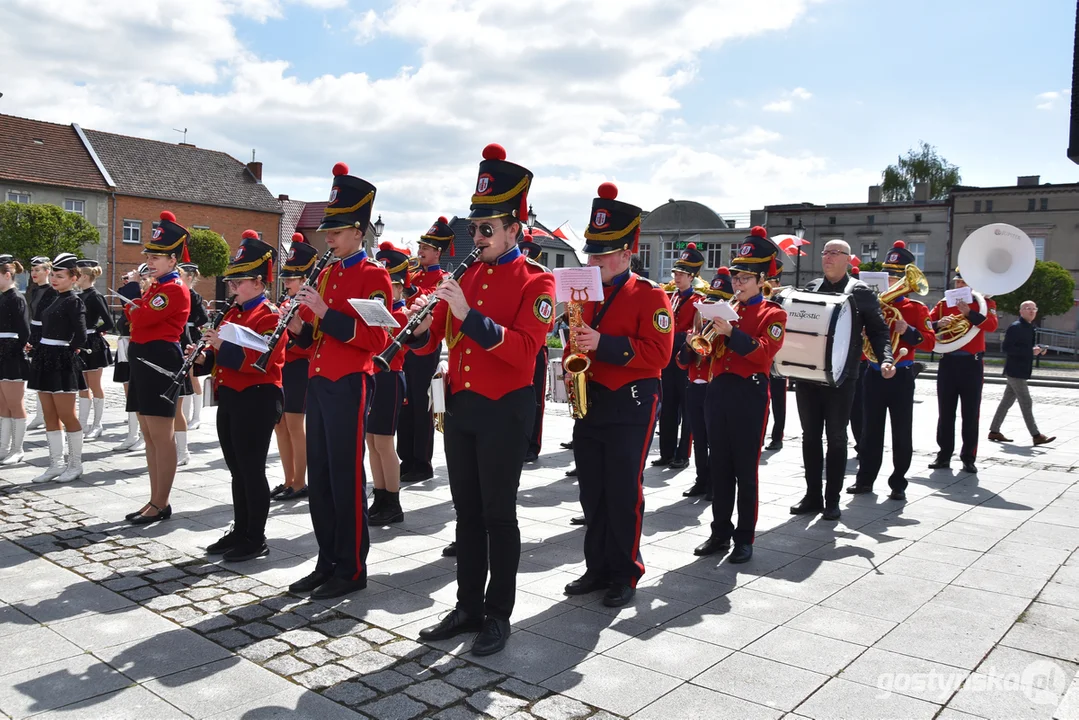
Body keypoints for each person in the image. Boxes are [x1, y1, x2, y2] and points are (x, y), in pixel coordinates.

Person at [412, 144, 553, 656]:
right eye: (475, 228)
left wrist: (467, 314)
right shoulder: (467, 274)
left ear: (515, 229)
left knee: (499, 515)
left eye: (488, 229)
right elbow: (441, 340)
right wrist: (417, 327)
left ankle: (498, 613)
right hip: (463, 405)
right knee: (466, 513)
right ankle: (467, 604)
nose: (478, 238)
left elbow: (522, 352)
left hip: (504, 409)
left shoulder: (537, 280)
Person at [559, 182, 671, 606]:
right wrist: (574, 353)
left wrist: (601, 343)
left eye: (603, 252)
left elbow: (658, 353)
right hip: (593, 400)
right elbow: (575, 340)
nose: (594, 259)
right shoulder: (583, 290)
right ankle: (597, 566)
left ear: (627, 253)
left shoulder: (650, 294)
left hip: (632, 401)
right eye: (592, 251)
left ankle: (625, 571)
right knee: (592, 489)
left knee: (624, 490)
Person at [285, 162, 393, 600]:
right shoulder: (326, 272)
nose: (327, 238)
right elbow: (316, 336)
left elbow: (375, 338)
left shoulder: (373, 276)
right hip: (319, 380)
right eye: (327, 231)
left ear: (359, 231)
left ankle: (351, 568)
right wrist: (297, 326)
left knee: (346, 479)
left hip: (351, 382)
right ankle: (326, 559)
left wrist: (325, 314)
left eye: (336, 230)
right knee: (323, 477)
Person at [692, 228, 787, 563]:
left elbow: (762, 355)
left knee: (745, 470)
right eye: (736, 276)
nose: (738, 283)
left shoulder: (773, 314)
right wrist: (699, 341)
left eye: (745, 277)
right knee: (720, 467)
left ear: (762, 280)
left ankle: (744, 537)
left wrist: (731, 332)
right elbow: (705, 353)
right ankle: (719, 533)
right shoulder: (723, 308)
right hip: (719, 391)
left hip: (750, 393)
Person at [790, 240, 894, 521]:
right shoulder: (810, 289)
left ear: (848, 259)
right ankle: (812, 495)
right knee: (810, 436)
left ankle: (831, 499)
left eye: (835, 253)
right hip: (808, 375)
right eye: (825, 252)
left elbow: (879, 331)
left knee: (836, 437)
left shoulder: (860, 292)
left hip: (842, 377)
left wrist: (886, 358)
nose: (828, 257)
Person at [198, 232, 286, 562]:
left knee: (251, 468)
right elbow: (222, 357)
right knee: (237, 469)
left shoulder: (270, 316)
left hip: (258, 397)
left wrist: (223, 346)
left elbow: (261, 363)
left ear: (260, 281)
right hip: (232, 397)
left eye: (240, 280)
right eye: (232, 279)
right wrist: (205, 356)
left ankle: (255, 537)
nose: (232, 285)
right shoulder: (232, 313)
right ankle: (240, 528)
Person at [848, 241, 932, 501]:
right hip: (872, 372)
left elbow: (930, 343)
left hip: (902, 374)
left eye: (897, 277)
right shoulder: (868, 306)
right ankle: (865, 480)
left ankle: (898, 482)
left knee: (901, 430)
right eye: (889, 276)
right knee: (870, 430)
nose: (893, 282)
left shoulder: (915, 309)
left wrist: (908, 331)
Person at [124, 211, 193, 524]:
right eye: (149, 255)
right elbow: (133, 318)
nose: (150, 261)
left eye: (157, 257)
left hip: (159, 359)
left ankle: (161, 502)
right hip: (143, 356)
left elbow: (140, 318)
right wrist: (136, 302)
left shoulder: (174, 289)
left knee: (160, 434)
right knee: (148, 434)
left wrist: (133, 300)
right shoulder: (154, 287)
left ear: (173, 260)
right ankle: (153, 498)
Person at [398, 216, 452, 483]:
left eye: (426, 248)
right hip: (404, 348)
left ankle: (422, 462)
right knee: (404, 404)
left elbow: (431, 298)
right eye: (420, 246)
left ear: (438, 252)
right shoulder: (415, 273)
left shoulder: (444, 278)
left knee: (422, 404)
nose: (420, 251)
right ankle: (405, 458)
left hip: (426, 347)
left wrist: (408, 286)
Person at [928, 267, 999, 473]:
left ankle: (968, 456)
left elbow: (992, 325)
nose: (959, 286)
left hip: (971, 363)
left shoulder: (984, 304)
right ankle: (944, 454)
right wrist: (939, 323)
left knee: (970, 412)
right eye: (957, 283)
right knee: (945, 412)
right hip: (948, 361)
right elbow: (927, 326)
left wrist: (969, 313)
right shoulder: (943, 305)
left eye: (963, 283)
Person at [27, 253, 88, 483]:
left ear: (73, 278)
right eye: (52, 274)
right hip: (45, 356)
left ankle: (75, 464)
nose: (54, 279)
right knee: (49, 415)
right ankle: (55, 464)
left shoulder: (74, 301)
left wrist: (67, 353)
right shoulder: (54, 297)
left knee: (66, 415)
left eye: (60, 276)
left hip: (61, 359)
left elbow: (81, 336)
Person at [677, 268, 733, 498]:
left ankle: (713, 482)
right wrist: (689, 344)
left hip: (715, 390)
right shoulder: (696, 329)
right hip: (694, 388)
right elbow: (681, 363)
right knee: (698, 438)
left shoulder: (726, 334)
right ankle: (701, 479)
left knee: (715, 440)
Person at [368, 241, 412, 526]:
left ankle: (393, 501)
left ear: (399, 287)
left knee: (384, 442)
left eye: (391, 285)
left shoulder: (403, 313)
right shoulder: (378, 310)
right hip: (373, 376)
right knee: (371, 442)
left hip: (390, 378)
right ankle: (380, 495)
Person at [270, 234, 316, 502]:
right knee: (281, 426)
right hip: (283, 369)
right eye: (286, 277)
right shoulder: (286, 304)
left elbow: (307, 342)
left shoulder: (308, 305)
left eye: (292, 278)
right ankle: (288, 479)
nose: (286, 282)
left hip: (298, 369)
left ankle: (299, 481)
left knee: (296, 426)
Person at [654, 243, 702, 470]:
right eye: (676, 273)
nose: (677, 277)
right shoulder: (669, 296)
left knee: (686, 409)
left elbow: (696, 331)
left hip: (684, 358)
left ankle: (683, 454)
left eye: (682, 274)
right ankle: (666, 452)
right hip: (667, 359)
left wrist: (678, 335)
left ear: (692, 277)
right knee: (668, 408)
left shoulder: (698, 301)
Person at [988, 300, 1055, 446]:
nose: (1031, 311)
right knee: (1026, 402)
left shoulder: (1029, 327)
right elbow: (1007, 348)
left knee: (1006, 402)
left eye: (1033, 308)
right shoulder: (1016, 327)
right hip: (1015, 371)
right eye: (1027, 308)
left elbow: (1025, 348)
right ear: (1021, 311)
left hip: (1020, 370)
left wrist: (1038, 350)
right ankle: (1036, 435)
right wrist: (1030, 351)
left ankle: (994, 430)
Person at [519, 232, 550, 463]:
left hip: (537, 347)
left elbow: (546, 323)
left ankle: (533, 443)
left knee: (536, 397)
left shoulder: (542, 279)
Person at [74, 260, 114, 441]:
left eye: (77, 275)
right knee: (82, 385)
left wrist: (94, 331)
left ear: (84, 276)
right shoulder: (78, 295)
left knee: (94, 385)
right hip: (81, 343)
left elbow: (109, 322)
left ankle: (97, 424)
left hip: (93, 344)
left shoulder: (95, 296)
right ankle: (82, 423)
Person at [113, 265, 150, 452]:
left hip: (139, 345)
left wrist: (136, 287)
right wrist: (130, 284)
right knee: (130, 393)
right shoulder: (136, 293)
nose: (140, 281)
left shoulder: (149, 296)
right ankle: (133, 433)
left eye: (143, 277)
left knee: (140, 393)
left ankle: (144, 435)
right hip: (126, 344)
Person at [0, 256, 30, 465]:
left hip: (11, 353)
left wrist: (15, 350)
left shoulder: (16, 297)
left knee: (15, 403)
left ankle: (17, 449)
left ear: (7, 275)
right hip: (2, 351)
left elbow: (25, 331)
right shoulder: (2, 297)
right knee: (3, 404)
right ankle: (3, 447)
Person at [26, 256, 57, 431]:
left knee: (47, 376)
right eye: (32, 270)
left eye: (38, 270)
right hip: (35, 332)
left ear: (47, 271)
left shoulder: (52, 291)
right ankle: (40, 415)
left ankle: (48, 415)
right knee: (37, 375)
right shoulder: (35, 290)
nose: (34, 273)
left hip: (46, 334)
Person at [180, 263, 210, 431]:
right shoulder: (178, 292)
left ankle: (196, 416)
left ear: (189, 278)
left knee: (192, 376)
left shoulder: (193, 295)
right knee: (183, 375)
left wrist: (191, 323)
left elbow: (204, 317)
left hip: (190, 335)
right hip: (180, 333)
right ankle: (184, 413)